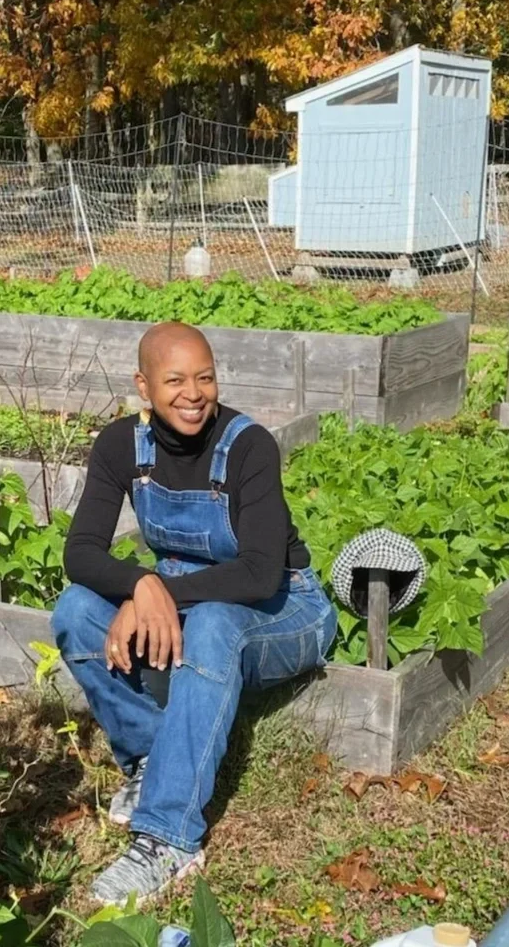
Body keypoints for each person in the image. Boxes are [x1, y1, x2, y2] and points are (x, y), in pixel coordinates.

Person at [51, 322, 336, 905]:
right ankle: (154, 758)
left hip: (286, 608)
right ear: (143, 385)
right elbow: (78, 553)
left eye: (205, 377)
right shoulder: (120, 446)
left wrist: (153, 593)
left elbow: (258, 573)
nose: (193, 392)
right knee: (77, 611)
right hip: (191, 594)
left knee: (211, 623)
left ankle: (168, 836)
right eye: (175, 379)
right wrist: (142, 584)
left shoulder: (248, 447)